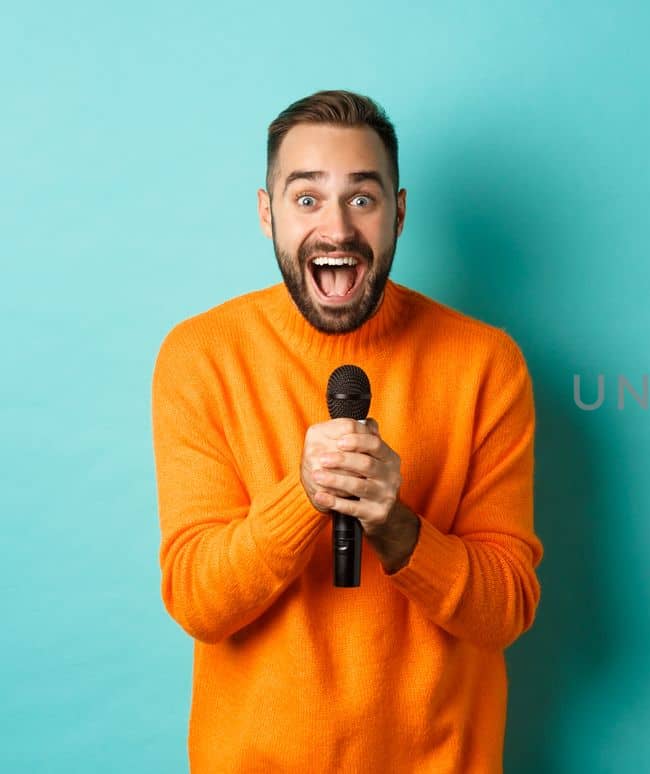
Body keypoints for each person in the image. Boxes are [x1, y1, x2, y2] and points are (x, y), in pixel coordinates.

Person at [150, 89, 542, 772]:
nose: (336, 229)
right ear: (267, 213)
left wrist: (398, 527)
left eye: (362, 198)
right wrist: (305, 494)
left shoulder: (485, 363)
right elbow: (198, 602)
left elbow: (505, 610)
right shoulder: (200, 357)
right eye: (306, 199)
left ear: (399, 212)